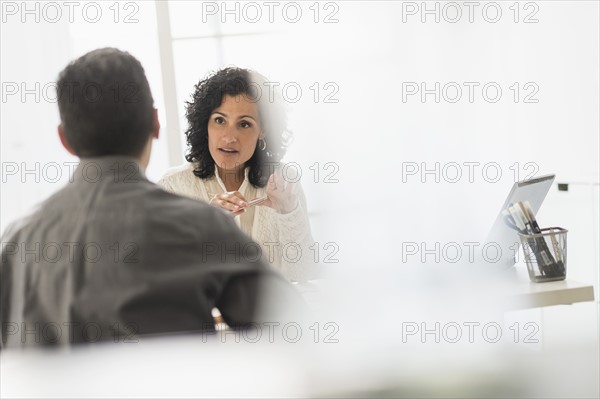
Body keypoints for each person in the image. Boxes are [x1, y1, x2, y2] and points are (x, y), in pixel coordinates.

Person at [0, 48, 301, 348]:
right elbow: (295, 331)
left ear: (65, 139)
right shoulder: (203, 226)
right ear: (155, 124)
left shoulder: (16, 243)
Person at [158, 68, 315, 282]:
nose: (229, 137)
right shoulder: (173, 187)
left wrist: (288, 213)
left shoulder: (283, 182)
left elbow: (304, 276)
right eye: (220, 120)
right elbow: (166, 280)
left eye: (244, 124)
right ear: (205, 124)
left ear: (263, 131)